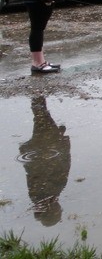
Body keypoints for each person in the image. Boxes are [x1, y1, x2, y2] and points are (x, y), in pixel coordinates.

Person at [19, 96, 71, 226]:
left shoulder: (52, 191)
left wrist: (64, 143)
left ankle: (37, 94)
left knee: (41, 117)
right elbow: (31, 175)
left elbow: (64, 165)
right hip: (43, 151)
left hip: (46, 149)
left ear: (53, 210)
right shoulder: (41, 196)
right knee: (41, 118)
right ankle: (37, 95)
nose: (60, 207)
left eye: (59, 210)